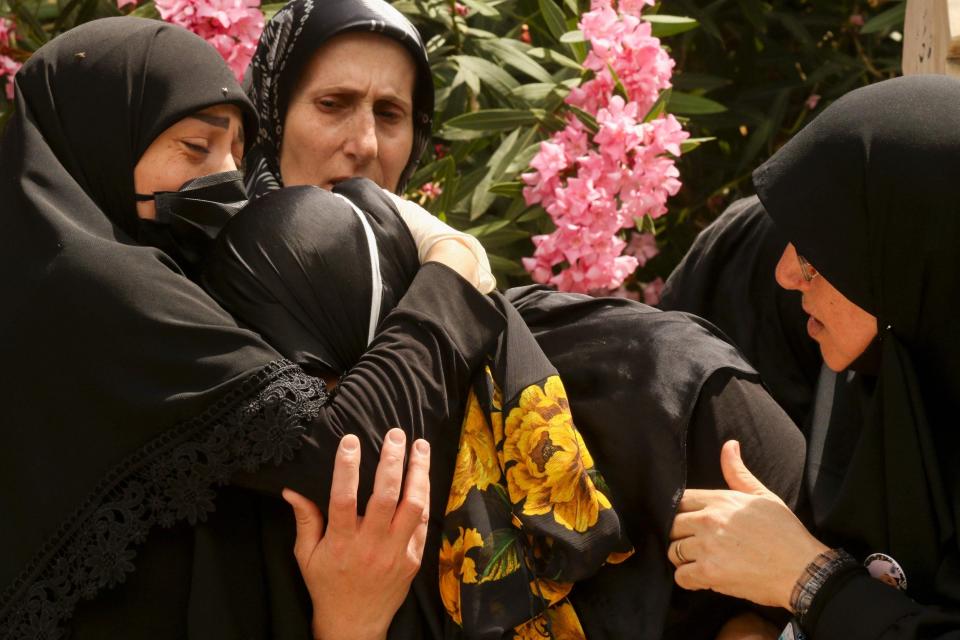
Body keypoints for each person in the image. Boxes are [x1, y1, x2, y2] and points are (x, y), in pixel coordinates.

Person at [0, 17, 504, 639]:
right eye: (195, 148)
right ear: (104, 139)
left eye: (236, 154)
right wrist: (451, 275)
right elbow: (351, 458)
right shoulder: (90, 284)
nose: (225, 181)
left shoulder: (167, 280)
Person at [667, 75, 960, 639]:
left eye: (821, 254)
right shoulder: (873, 348)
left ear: (907, 259)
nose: (786, 273)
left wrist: (807, 581)